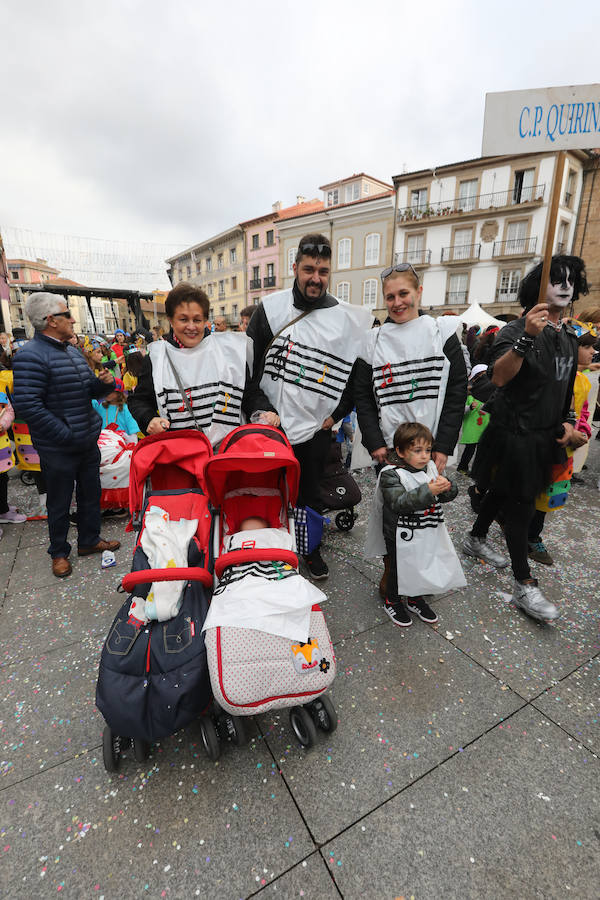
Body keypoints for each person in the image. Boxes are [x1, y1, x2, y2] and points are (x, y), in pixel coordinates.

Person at [463, 255, 589, 622]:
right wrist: (527, 339)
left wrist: (568, 422)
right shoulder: (514, 331)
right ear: (538, 287)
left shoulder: (568, 336)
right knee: (520, 508)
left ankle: (474, 538)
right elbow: (499, 379)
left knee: (504, 491)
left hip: (545, 437)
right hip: (514, 433)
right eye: (557, 280)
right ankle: (524, 584)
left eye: (570, 281)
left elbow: (563, 390)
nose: (565, 287)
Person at [246, 233, 372, 580]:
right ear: (295, 268)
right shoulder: (269, 309)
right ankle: (270, 547)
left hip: (316, 428)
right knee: (268, 491)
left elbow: (358, 377)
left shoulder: (349, 320)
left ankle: (311, 548)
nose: (315, 278)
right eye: (308, 269)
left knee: (310, 494)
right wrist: (259, 410)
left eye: (323, 271)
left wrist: (337, 414)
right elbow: (248, 371)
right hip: (269, 427)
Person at [354, 262, 467, 596]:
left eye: (403, 293)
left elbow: (457, 392)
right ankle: (391, 579)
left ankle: (420, 581)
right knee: (395, 520)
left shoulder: (441, 332)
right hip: (391, 451)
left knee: (426, 520)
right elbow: (363, 396)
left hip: (428, 450)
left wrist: (443, 446)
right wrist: (375, 443)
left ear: (418, 292)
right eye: (390, 296)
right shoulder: (372, 341)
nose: (396, 302)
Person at [12, 292, 120, 578]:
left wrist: (101, 385)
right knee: (59, 501)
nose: (73, 319)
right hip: (58, 446)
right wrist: (66, 433)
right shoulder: (28, 356)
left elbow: (86, 392)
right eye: (67, 314)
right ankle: (59, 552)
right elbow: (28, 406)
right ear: (51, 320)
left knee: (90, 493)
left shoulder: (71, 350)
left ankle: (88, 540)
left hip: (84, 440)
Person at [129, 282, 276, 447]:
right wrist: (149, 418)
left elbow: (249, 393)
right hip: (182, 457)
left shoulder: (228, 351)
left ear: (205, 320)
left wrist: (265, 411)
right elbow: (139, 401)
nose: (191, 327)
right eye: (183, 319)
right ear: (170, 320)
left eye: (197, 320)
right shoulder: (157, 359)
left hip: (228, 454)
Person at [366, 422, 464, 627]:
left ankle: (415, 598)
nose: (424, 456)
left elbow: (442, 497)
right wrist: (430, 490)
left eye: (428, 450)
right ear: (400, 451)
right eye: (417, 450)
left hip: (426, 530)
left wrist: (447, 487)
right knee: (397, 568)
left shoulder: (428, 468)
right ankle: (392, 600)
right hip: (399, 533)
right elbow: (399, 503)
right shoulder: (391, 474)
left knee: (421, 564)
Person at [527, 320, 598, 564]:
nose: (593, 352)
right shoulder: (555, 375)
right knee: (529, 491)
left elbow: (584, 412)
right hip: (543, 444)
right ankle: (520, 529)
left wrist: (583, 432)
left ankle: (533, 534)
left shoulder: (584, 381)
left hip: (565, 450)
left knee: (549, 495)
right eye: (587, 346)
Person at [456, 364, 491, 475]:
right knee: (470, 449)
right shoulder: (469, 396)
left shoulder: (490, 396)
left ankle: (476, 471)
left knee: (482, 450)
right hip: (472, 427)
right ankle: (462, 467)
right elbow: (460, 410)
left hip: (484, 426)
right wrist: (470, 407)